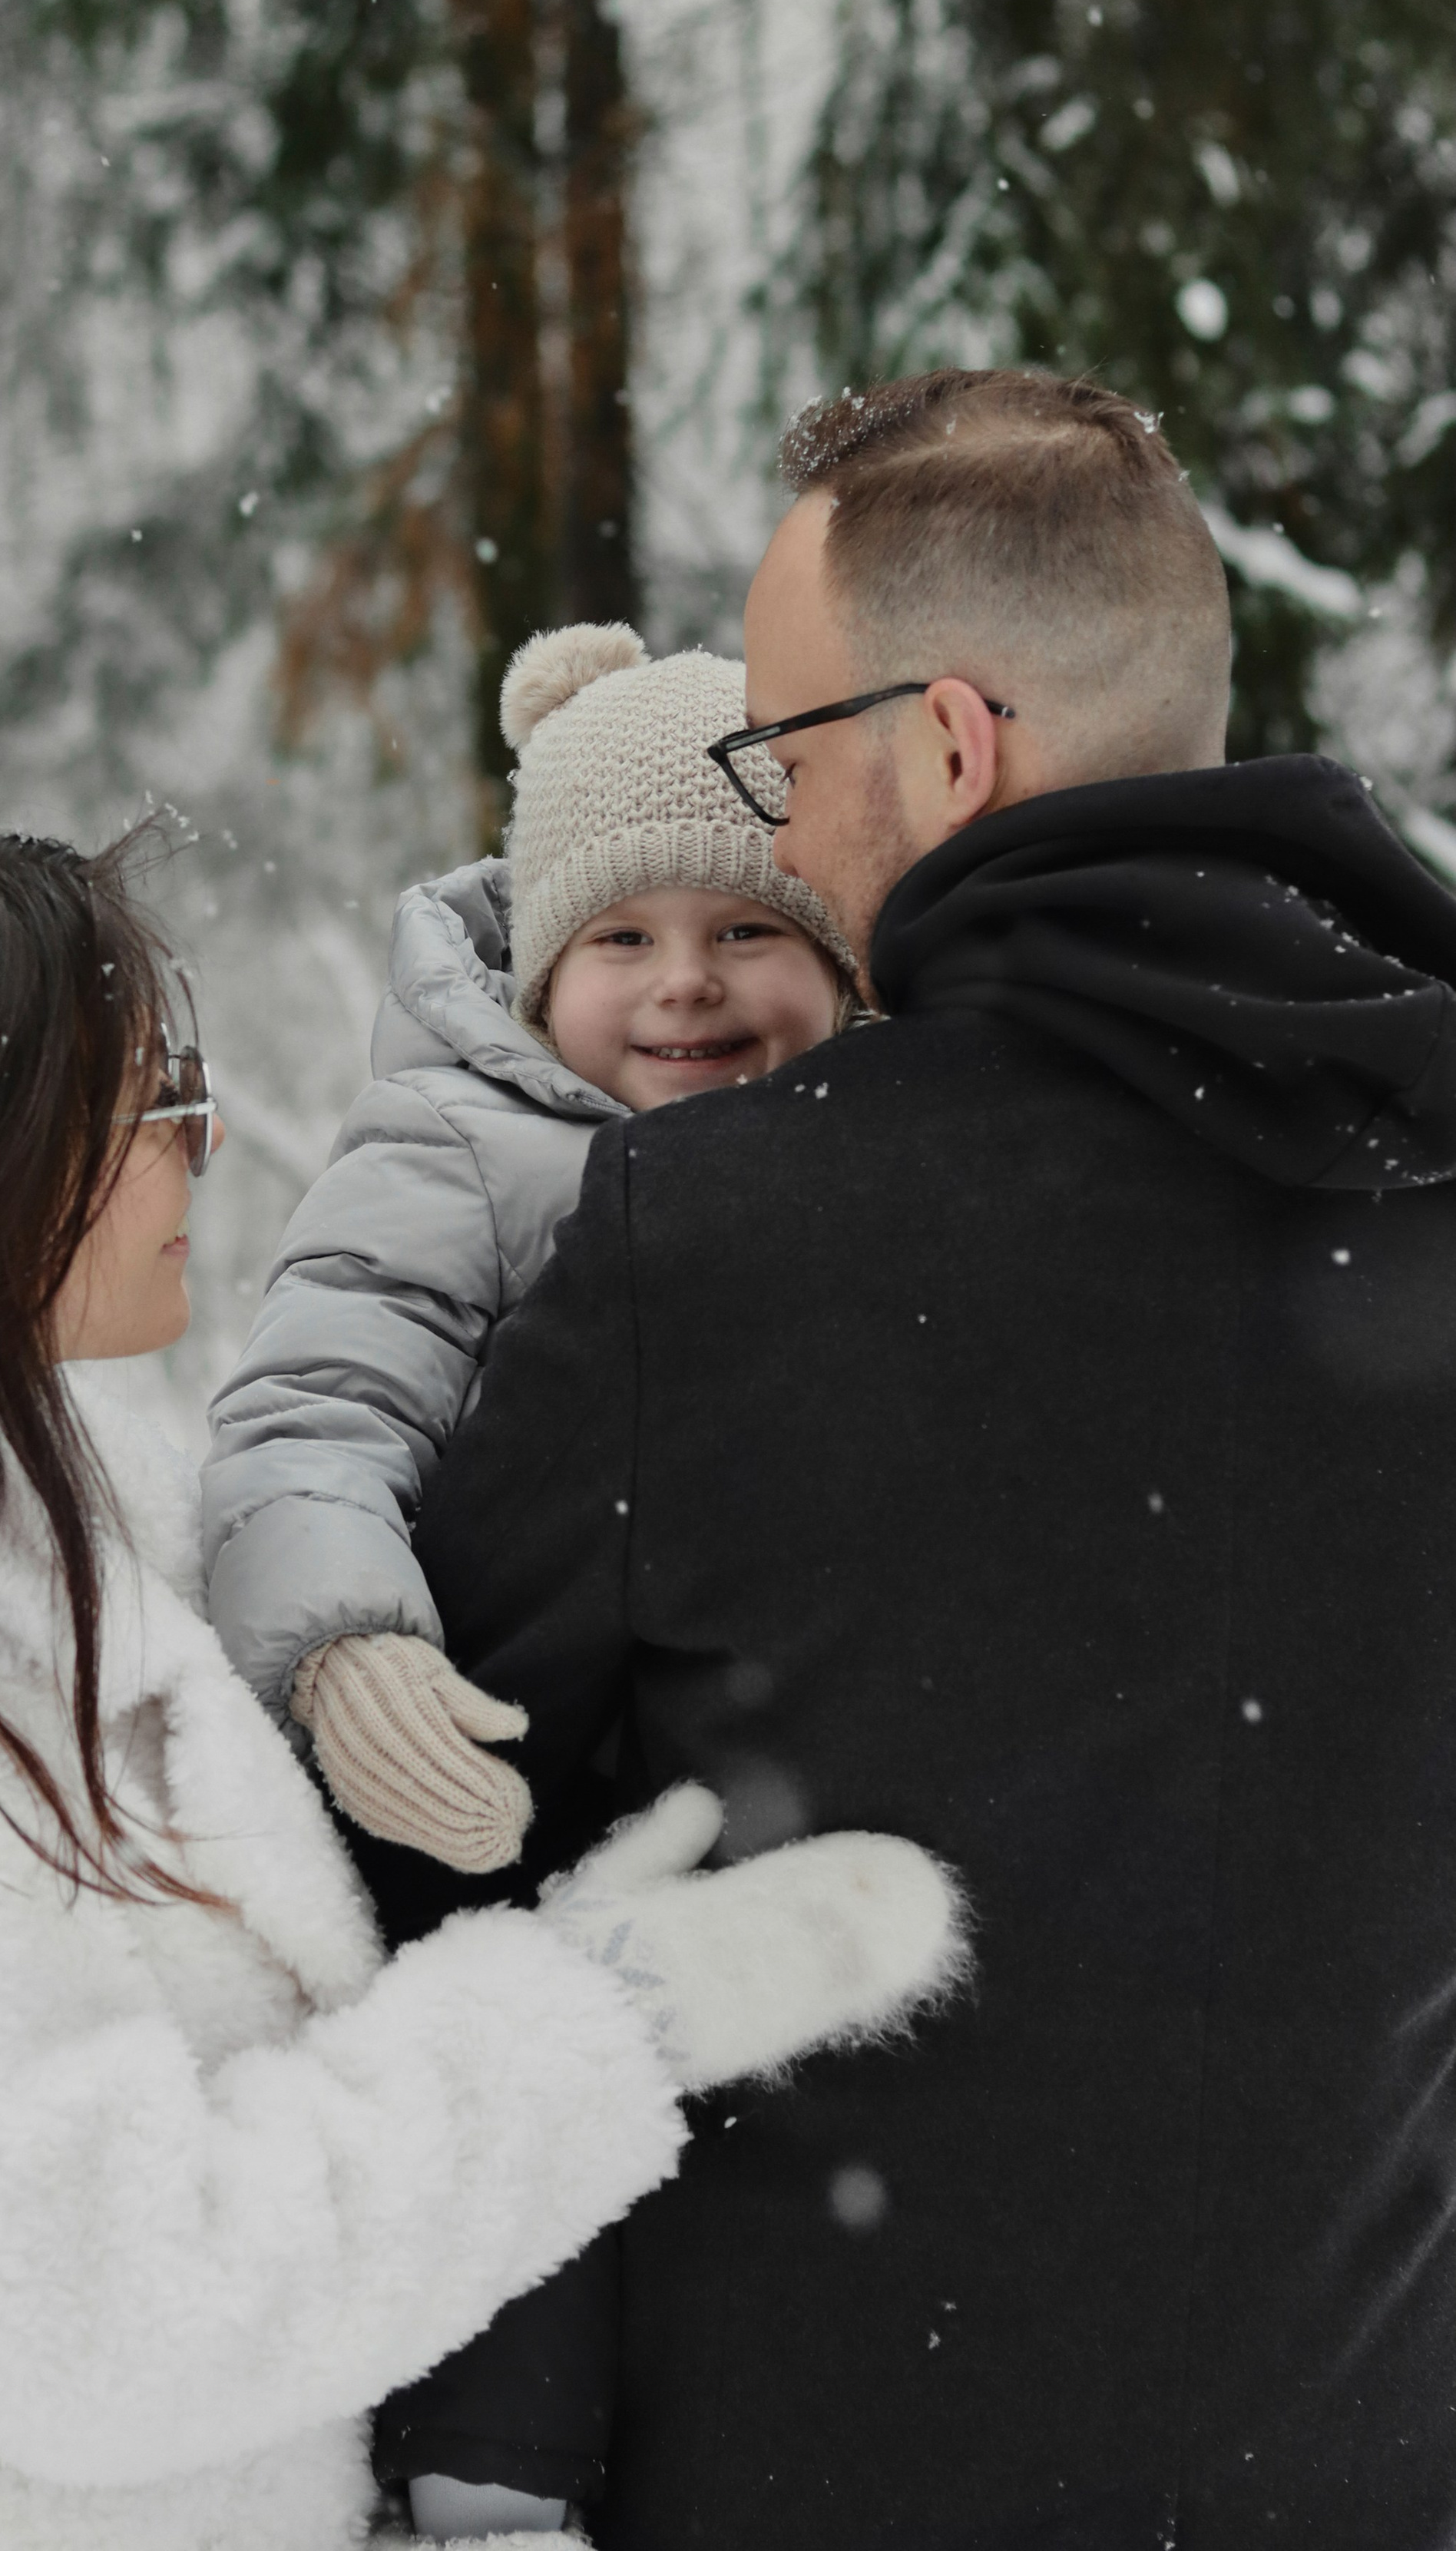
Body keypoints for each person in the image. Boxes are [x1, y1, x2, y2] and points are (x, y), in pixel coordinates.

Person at [0, 808, 965, 2551]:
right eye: (151, 1102)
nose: (199, 1149)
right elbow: (106, 2309)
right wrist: (607, 2017)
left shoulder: (5, 1556)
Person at [377, 367, 1456, 2547]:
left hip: (815, 2479)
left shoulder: (712, 1241)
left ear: (951, 744)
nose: (766, 824)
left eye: (781, 748)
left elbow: (440, 1857)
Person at [204, 625, 853, 1874]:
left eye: (745, 932)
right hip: (526, 1764)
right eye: (622, 938)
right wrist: (350, 1648)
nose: (685, 983)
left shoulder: (879, 1143)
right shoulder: (463, 1148)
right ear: (541, 980)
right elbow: (314, 1412)